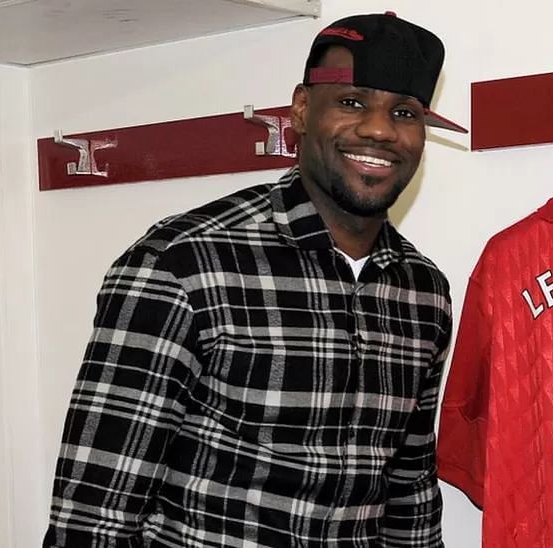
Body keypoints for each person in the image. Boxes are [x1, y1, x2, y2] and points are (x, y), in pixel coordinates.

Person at [43, 12, 466, 547]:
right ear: (302, 109)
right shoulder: (184, 263)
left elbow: (409, 493)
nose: (379, 130)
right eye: (353, 102)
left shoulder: (422, 291)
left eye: (403, 112)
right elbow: (94, 514)